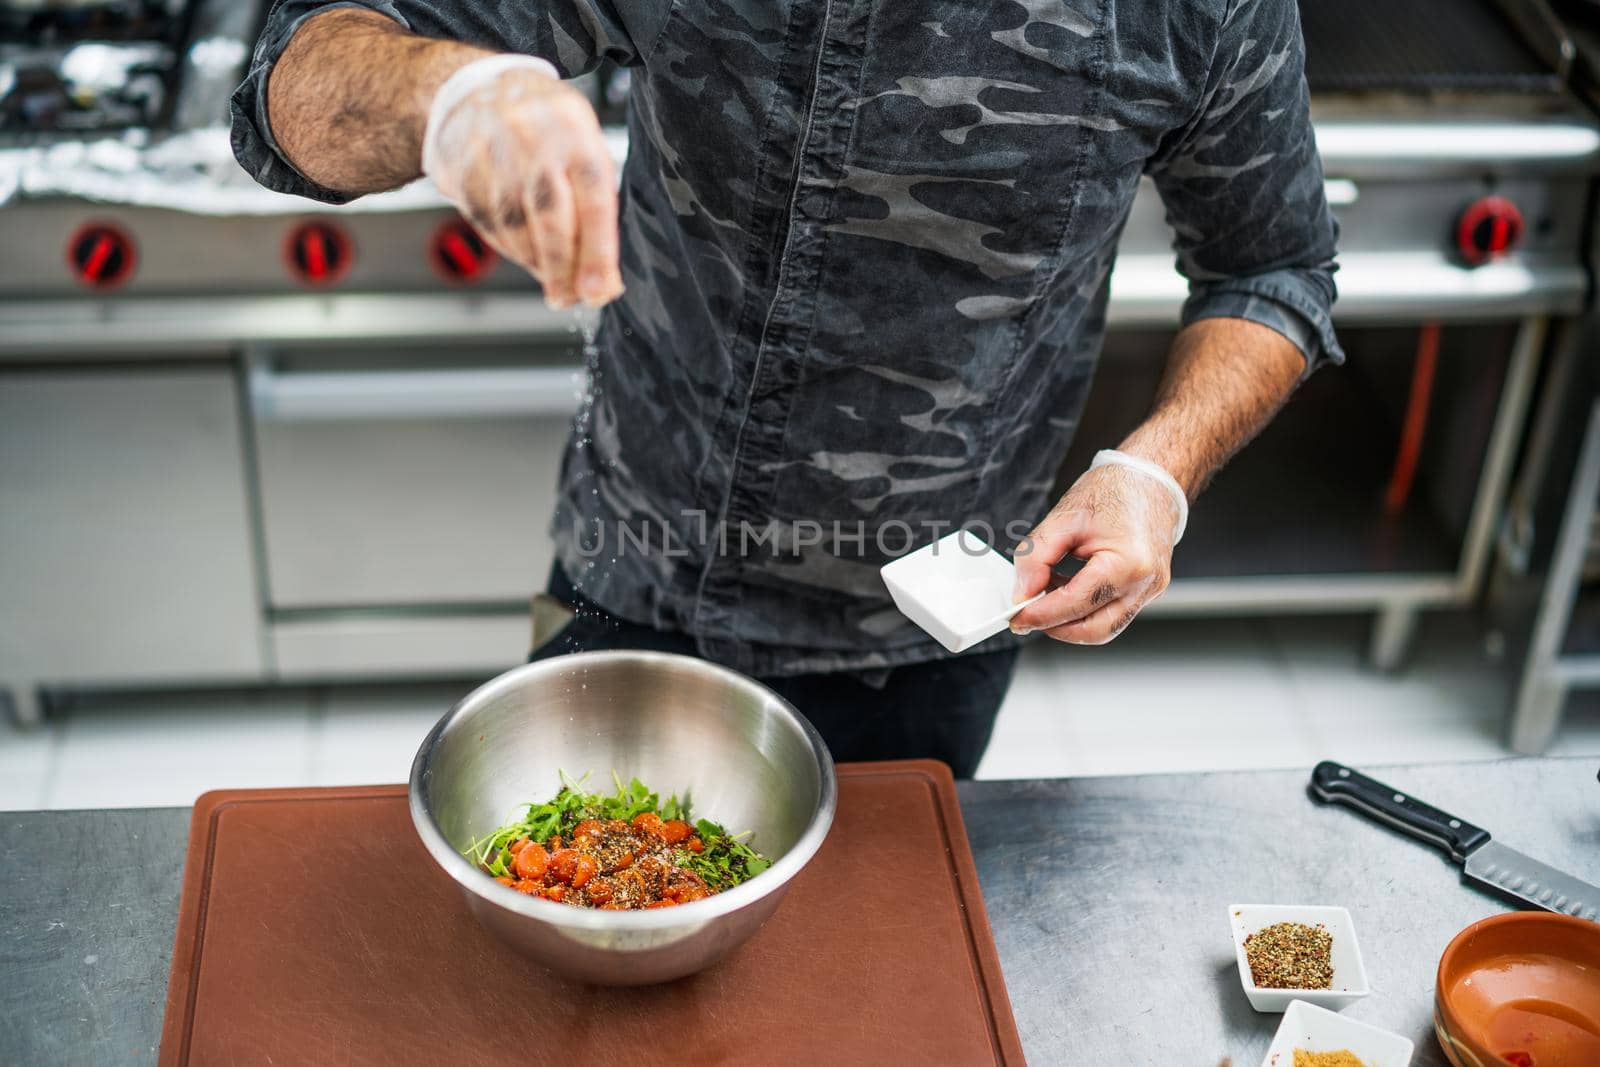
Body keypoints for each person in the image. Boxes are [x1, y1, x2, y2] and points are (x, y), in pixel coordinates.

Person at [233, 0, 1340, 777]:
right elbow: (291, 83)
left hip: (922, 638)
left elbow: (1271, 268)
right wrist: (449, 95)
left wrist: (1156, 472)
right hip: (635, 568)